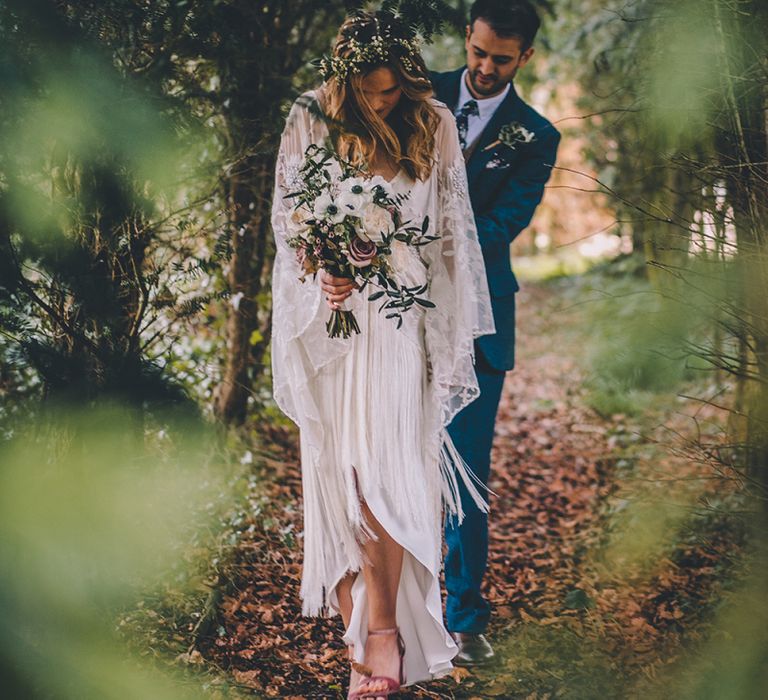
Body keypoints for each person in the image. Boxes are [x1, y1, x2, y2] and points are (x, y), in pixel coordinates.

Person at [270, 11, 495, 698]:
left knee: (381, 474)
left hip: (401, 327)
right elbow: (288, 220)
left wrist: (447, 337)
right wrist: (322, 268)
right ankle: (362, 645)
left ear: (409, 79)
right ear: (344, 81)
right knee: (341, 476)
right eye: (367, 91)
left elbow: (454, 236)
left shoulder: (434, 126)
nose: (379, 101)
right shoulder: (309, 119)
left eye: (390, 90)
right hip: (336, 325)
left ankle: (384, 631)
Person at [429, 0, 561, 665]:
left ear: (525, 59)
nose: (483, 68)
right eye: (478, 52)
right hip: (396, 316)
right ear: (468, 39)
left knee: (464, 470)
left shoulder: (537, 137)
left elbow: (500, 226)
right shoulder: (414, 94)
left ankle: (464, 616)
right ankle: (393, 606)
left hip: (480, 326)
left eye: (500, 59)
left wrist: (417, 237)